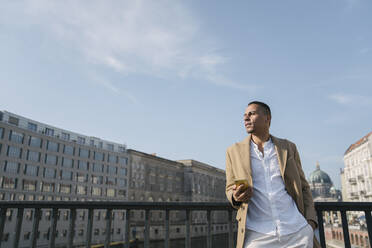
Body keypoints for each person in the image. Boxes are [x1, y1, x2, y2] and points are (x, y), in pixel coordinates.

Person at [225, 101, 320, 248]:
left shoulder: (288, 147)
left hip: (296, 231)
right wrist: (235, 197)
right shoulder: (233, 151)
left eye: (252, 114)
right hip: (257, 234)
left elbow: (304, 187)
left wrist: (310, 223)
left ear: (267, 118)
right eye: (244, 115)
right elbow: (230, 187)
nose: (246, 118)